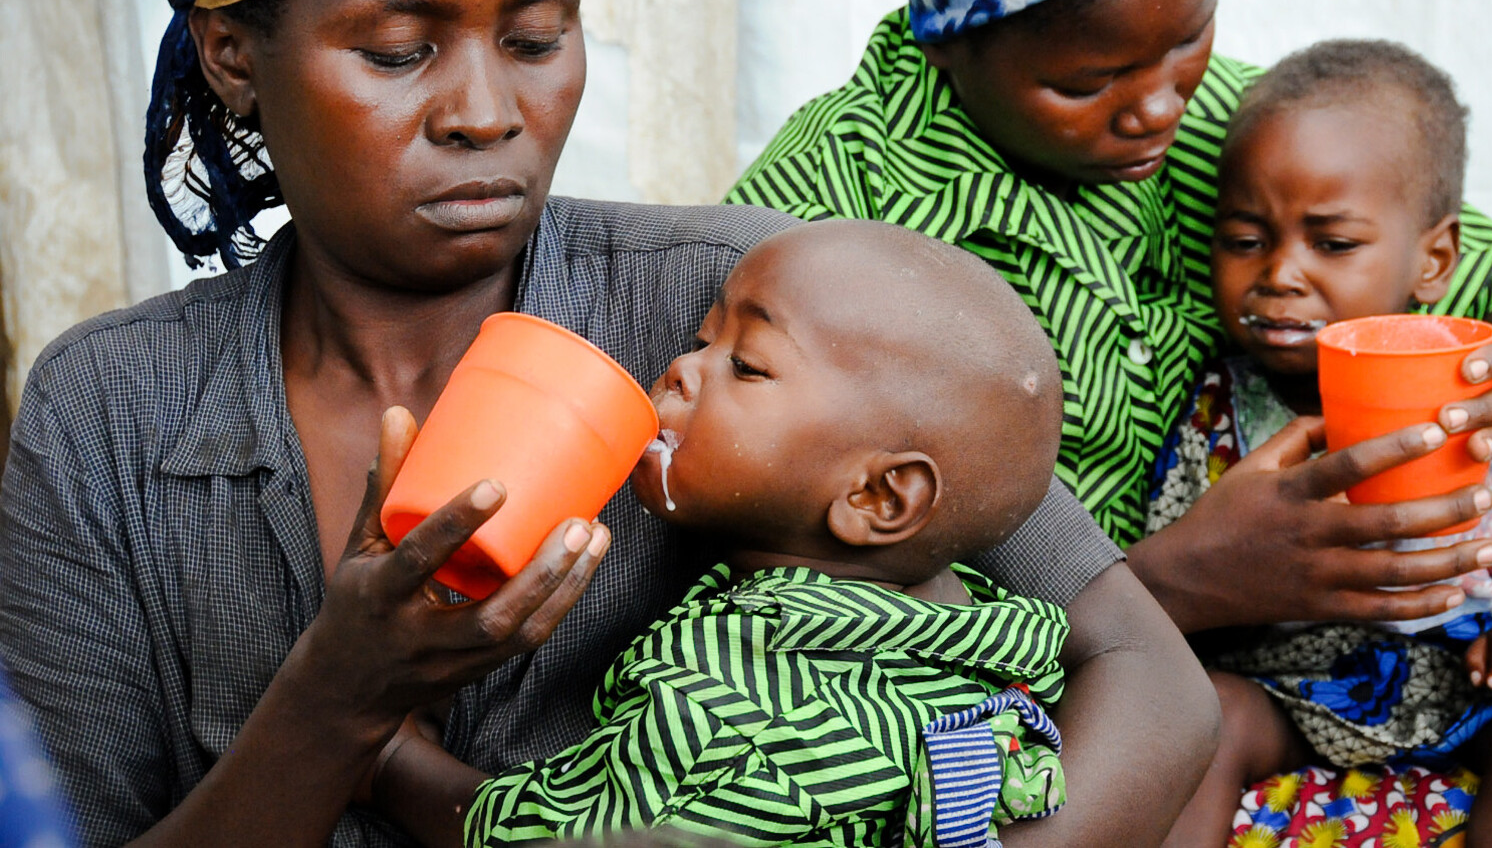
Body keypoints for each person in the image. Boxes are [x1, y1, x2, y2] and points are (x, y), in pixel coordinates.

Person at [0, 0, 1217, 846]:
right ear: (231, 57)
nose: (486, 111)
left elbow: (1149, 676)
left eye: (536, 37)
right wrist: (337, 697)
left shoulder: (748, 307)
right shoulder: (111, 413)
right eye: (396, 52)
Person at [726, 0, 1492, 676]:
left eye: (1191, 38)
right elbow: (766, 543)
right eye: (1086, 84)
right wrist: (1172, 586)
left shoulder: (1229, 122)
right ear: (946, 37)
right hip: (974, 679)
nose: (1158, 108)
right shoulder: (829, 202)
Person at [372, 219, 1081, 847]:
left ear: (876, 497)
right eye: (705, 340)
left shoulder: (724, 703)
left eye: (746, 366)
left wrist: (387, 759)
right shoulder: (985, 636)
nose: (681, 370)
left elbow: (548, 837)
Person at [1144, 40, 1492, 847]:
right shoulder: (1220, 413)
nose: (1280, 272)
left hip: (1470, 695)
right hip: (1288, 698)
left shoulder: (1475, 402)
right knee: (1202, 715)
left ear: (1434, 259)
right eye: (1246, 240)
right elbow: (1177, 566)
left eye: (1334, 243)